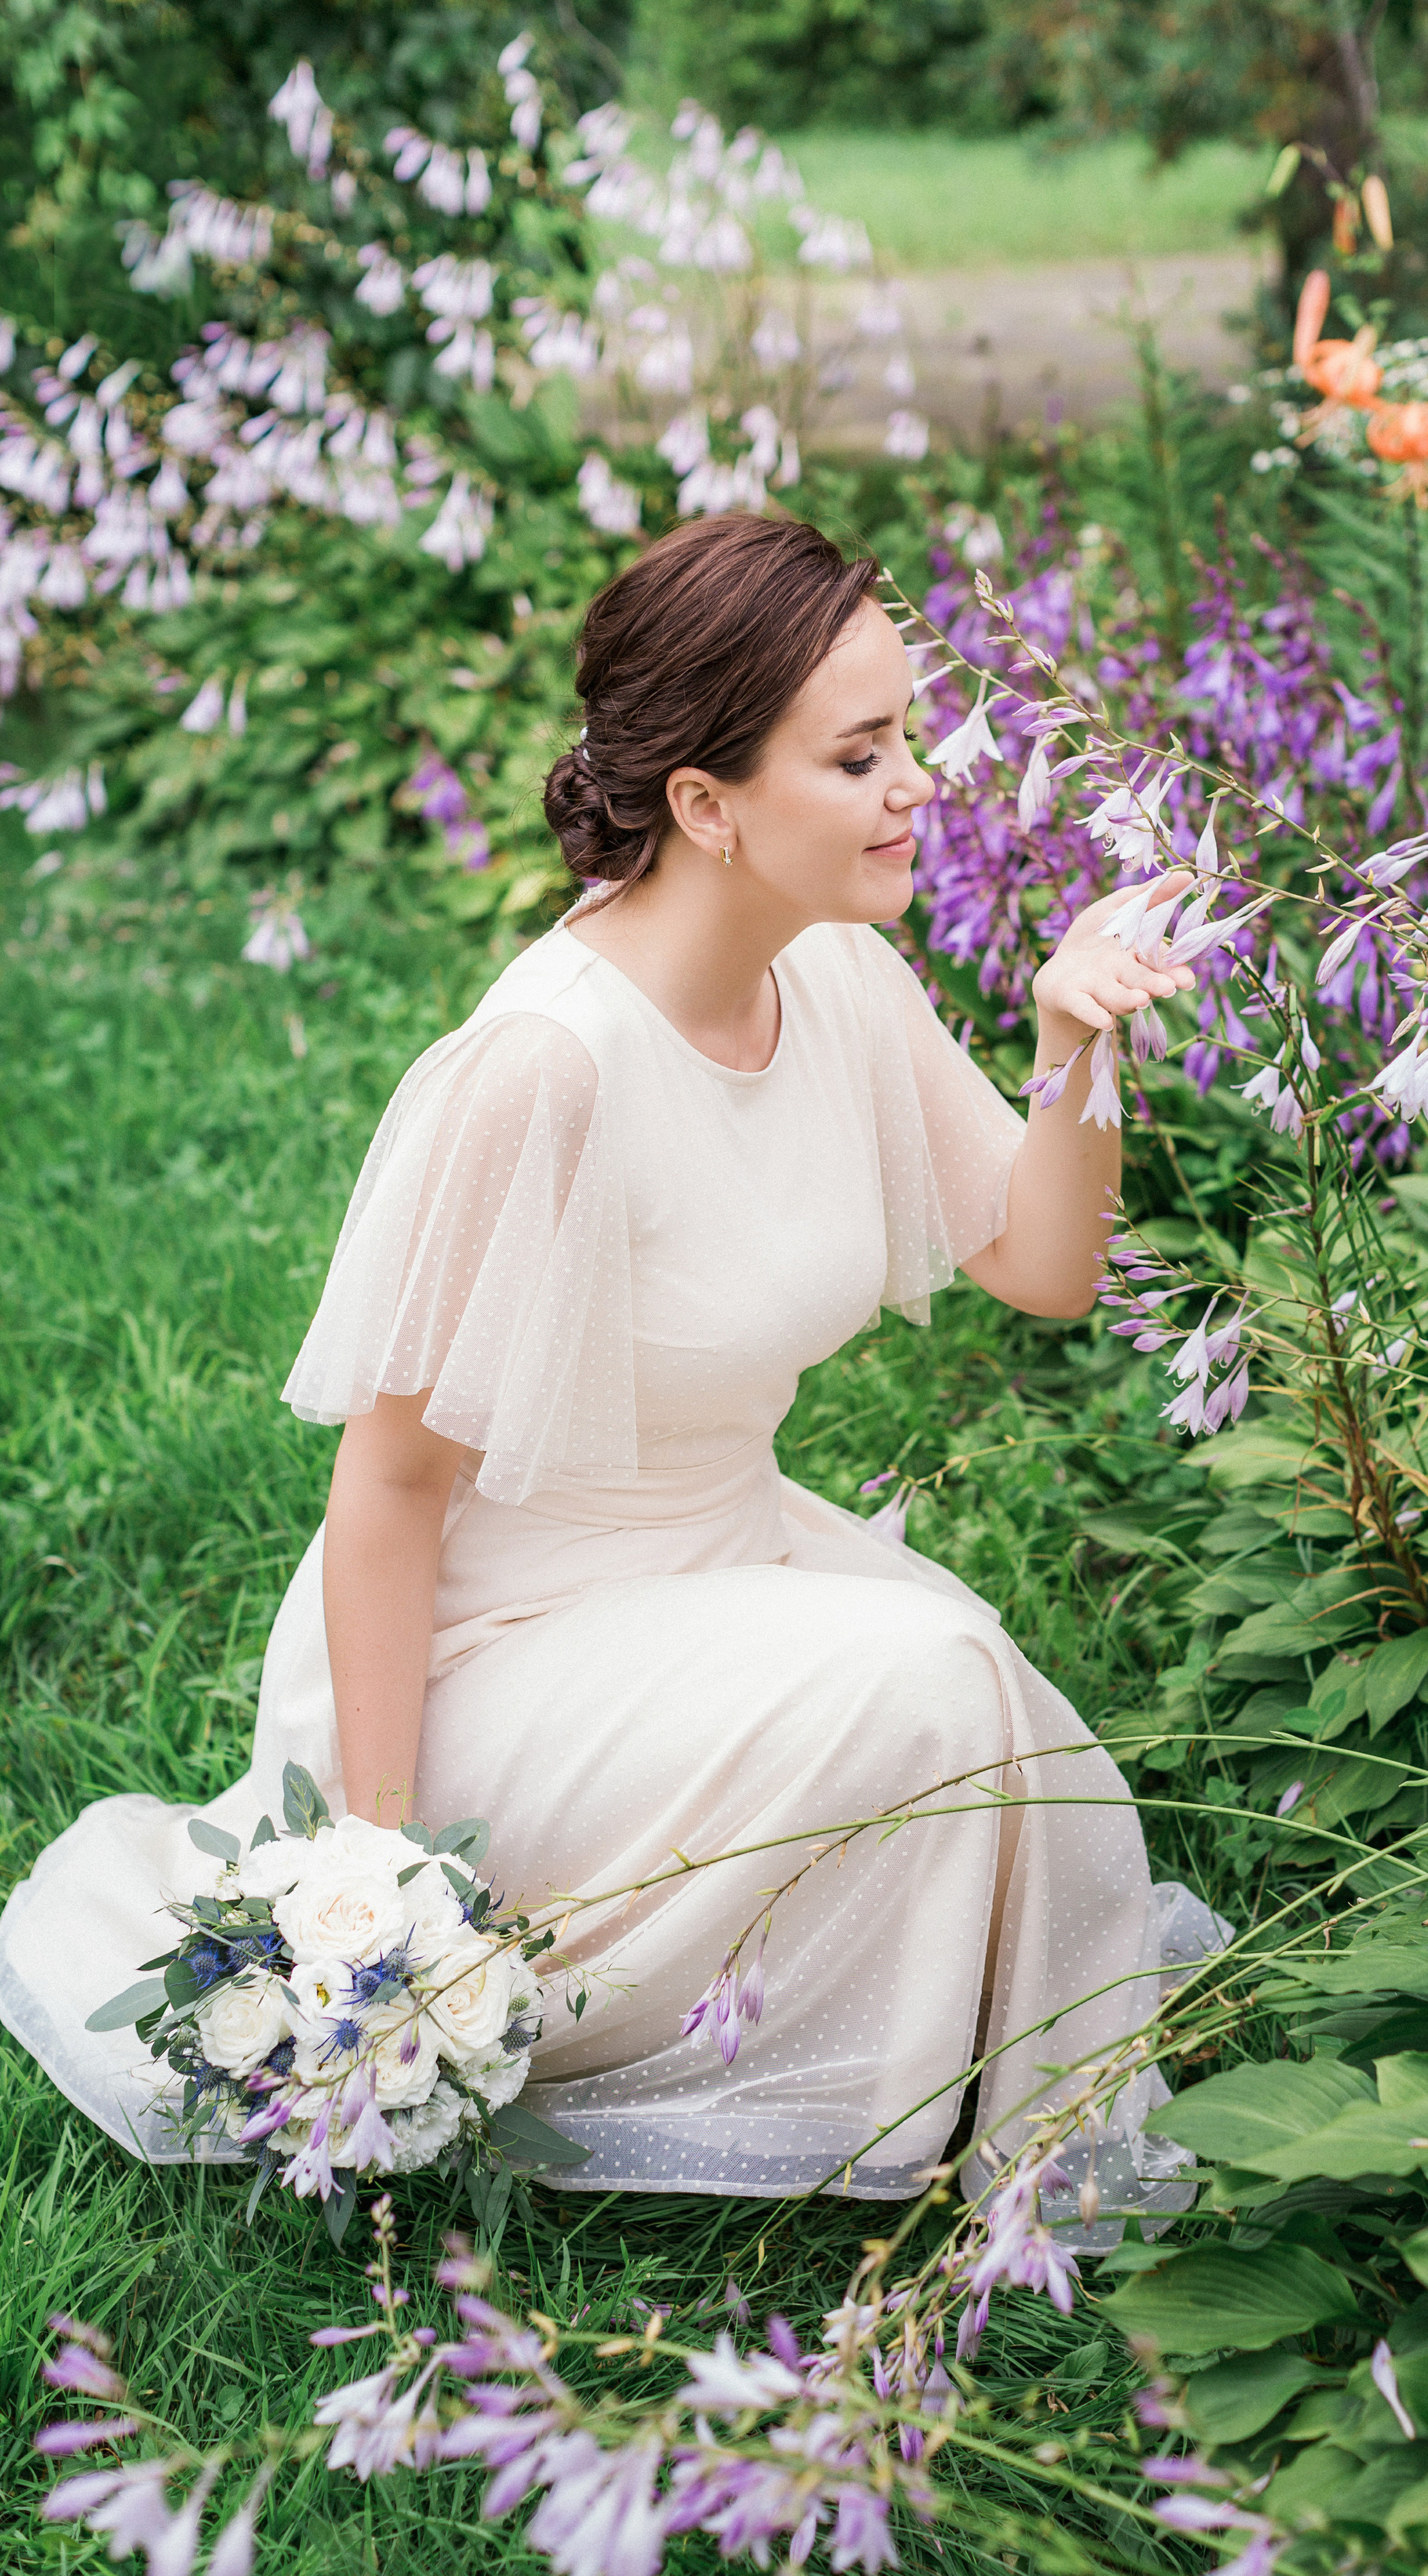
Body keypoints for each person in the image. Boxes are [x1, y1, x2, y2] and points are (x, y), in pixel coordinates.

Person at [0, 514, 1221, 2215]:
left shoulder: (838, 976)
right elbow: (387, 1493)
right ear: (704, 804)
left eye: (911, 741)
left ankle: (925, 2086)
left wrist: (1072, 1043)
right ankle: (827, 2096)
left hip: (724, 1558)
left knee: (988, 1704)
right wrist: (382, 1879)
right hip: (495, 1657)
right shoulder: (540, 1072)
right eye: (858, 754)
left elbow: (1045, 1266)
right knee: (935, 1673)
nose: (916, 787)